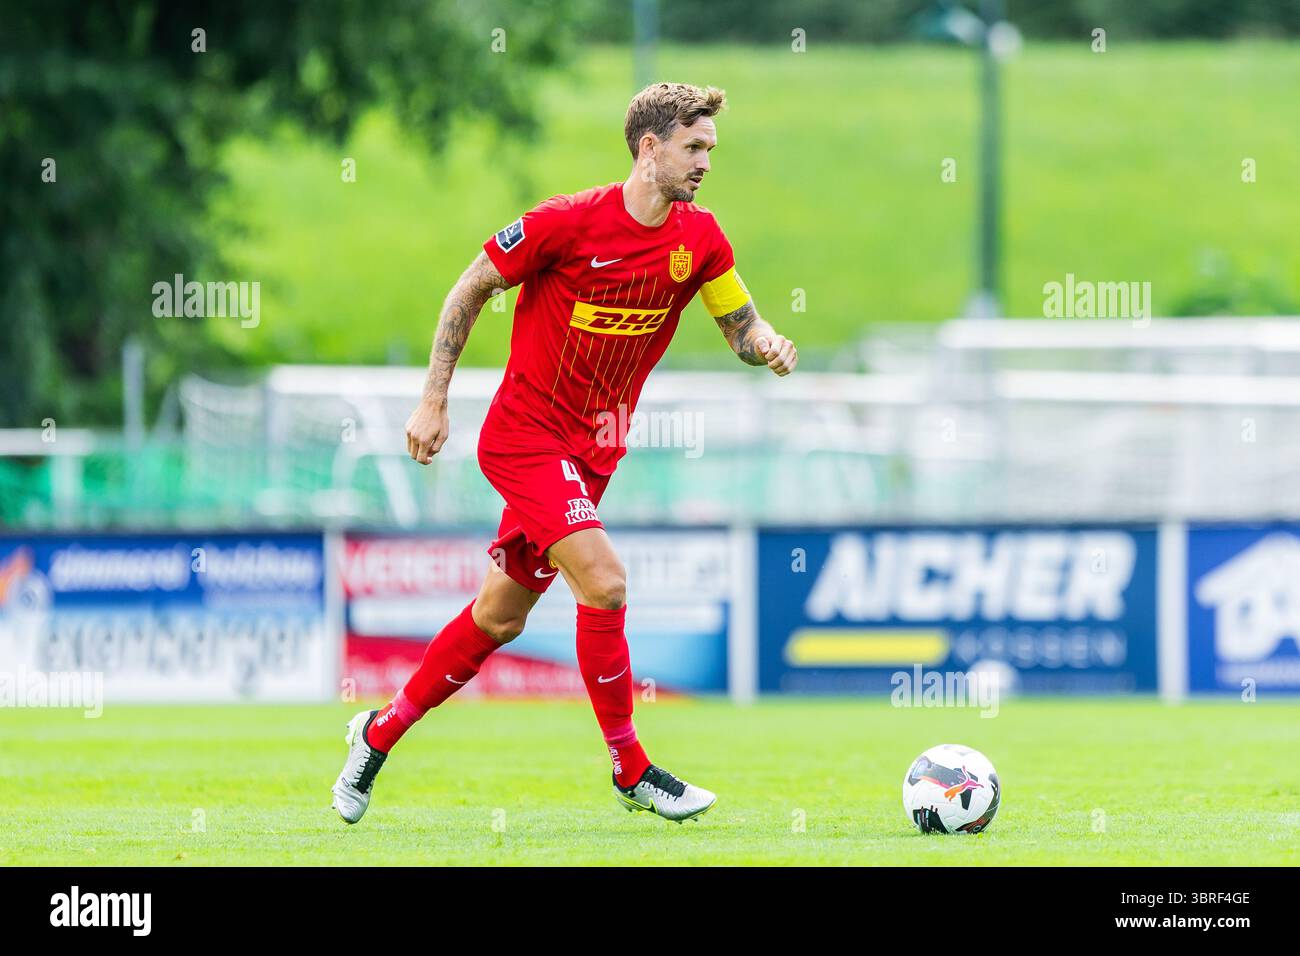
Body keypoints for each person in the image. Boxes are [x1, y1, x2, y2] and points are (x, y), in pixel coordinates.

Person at [332, 82, 797, 825]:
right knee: (606, 584)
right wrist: (432, 399)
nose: (707, 161)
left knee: (499, 617)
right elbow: (470, 288)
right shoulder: (565, 223)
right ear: (650, 148)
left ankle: (377, 732)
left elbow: (741, 325)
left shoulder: (701, 240)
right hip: (524, 438)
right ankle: (630, 767)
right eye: (694, 146)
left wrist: (764, 343)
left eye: (711, 147)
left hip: (595, 454)